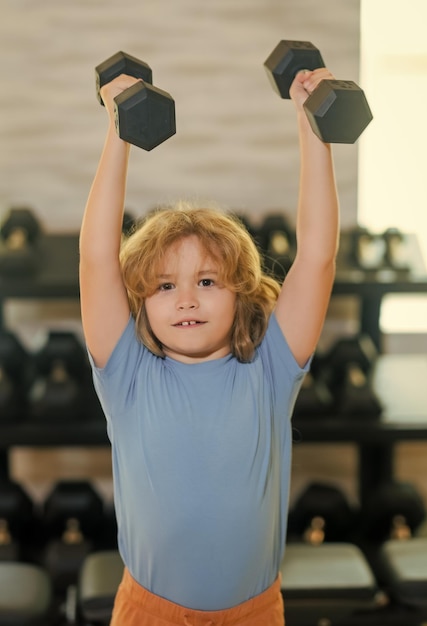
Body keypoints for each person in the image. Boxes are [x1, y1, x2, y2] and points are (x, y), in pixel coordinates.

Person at [79, 62, 339, 626]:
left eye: (207, 282)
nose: (186, 300)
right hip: (149, 612)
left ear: (241, 292)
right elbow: (97, 257)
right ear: (141, 300)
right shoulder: (128, 374)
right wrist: (117, 131)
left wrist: (312, 126)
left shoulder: (270, 370)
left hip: (255, 613)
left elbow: (317, 256)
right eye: (166, 286)